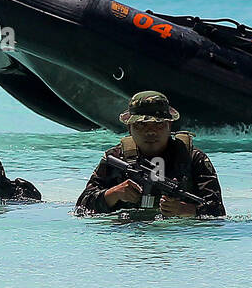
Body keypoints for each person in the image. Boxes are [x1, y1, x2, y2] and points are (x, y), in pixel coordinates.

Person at [77, 91, 225, 218]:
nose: (150, 131)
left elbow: (218, 211)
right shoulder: (116, 158)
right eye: (141, 125)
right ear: (130, 128)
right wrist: (113, 194)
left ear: (169, 125)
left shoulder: (192, 158)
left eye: (159, 124)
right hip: (128, 234)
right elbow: (81, 208)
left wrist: (186, 210)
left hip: (177, 237)